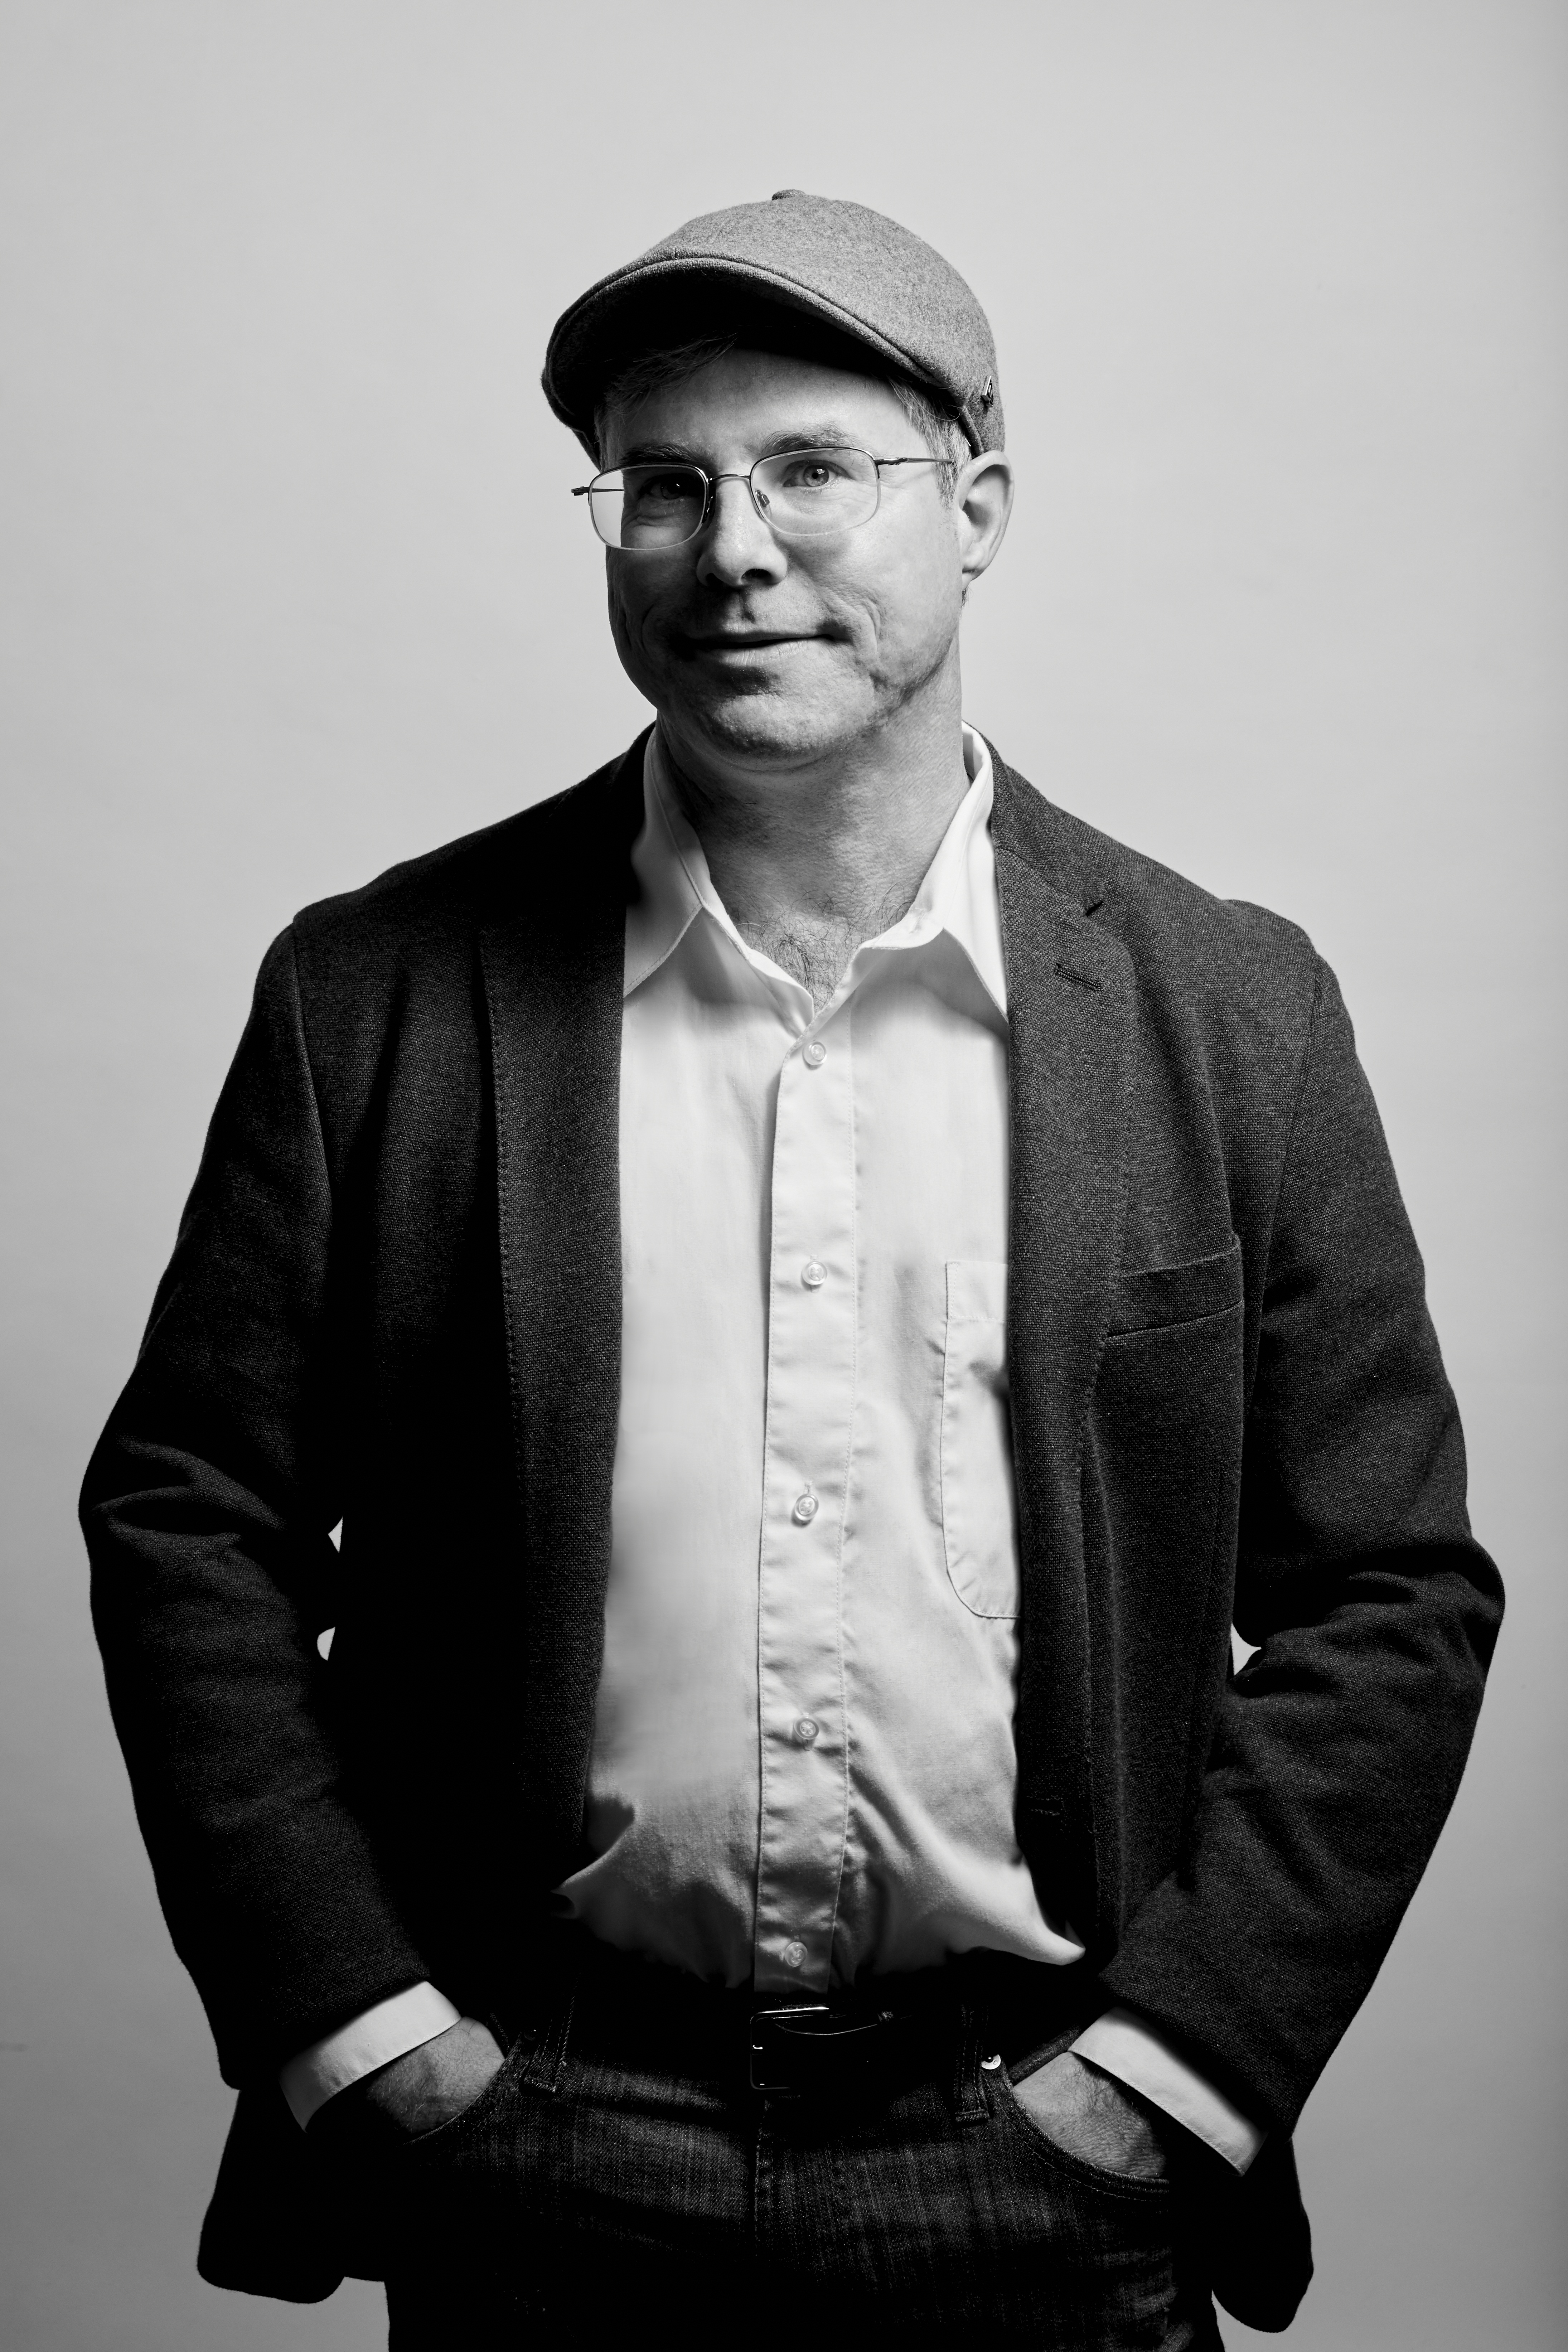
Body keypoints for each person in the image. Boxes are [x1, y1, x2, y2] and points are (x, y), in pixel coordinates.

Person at [81, 191, 1502, 2347]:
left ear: (980, 505)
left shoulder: (1234, 1009)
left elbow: (1386, 1588)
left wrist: (1180, 2070)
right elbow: (191, 1517)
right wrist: (359, 2029)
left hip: (1046, 2140)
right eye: (664, 486)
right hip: (541, 2135)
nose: (733, 546)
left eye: (814, 469)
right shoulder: (374, 993)